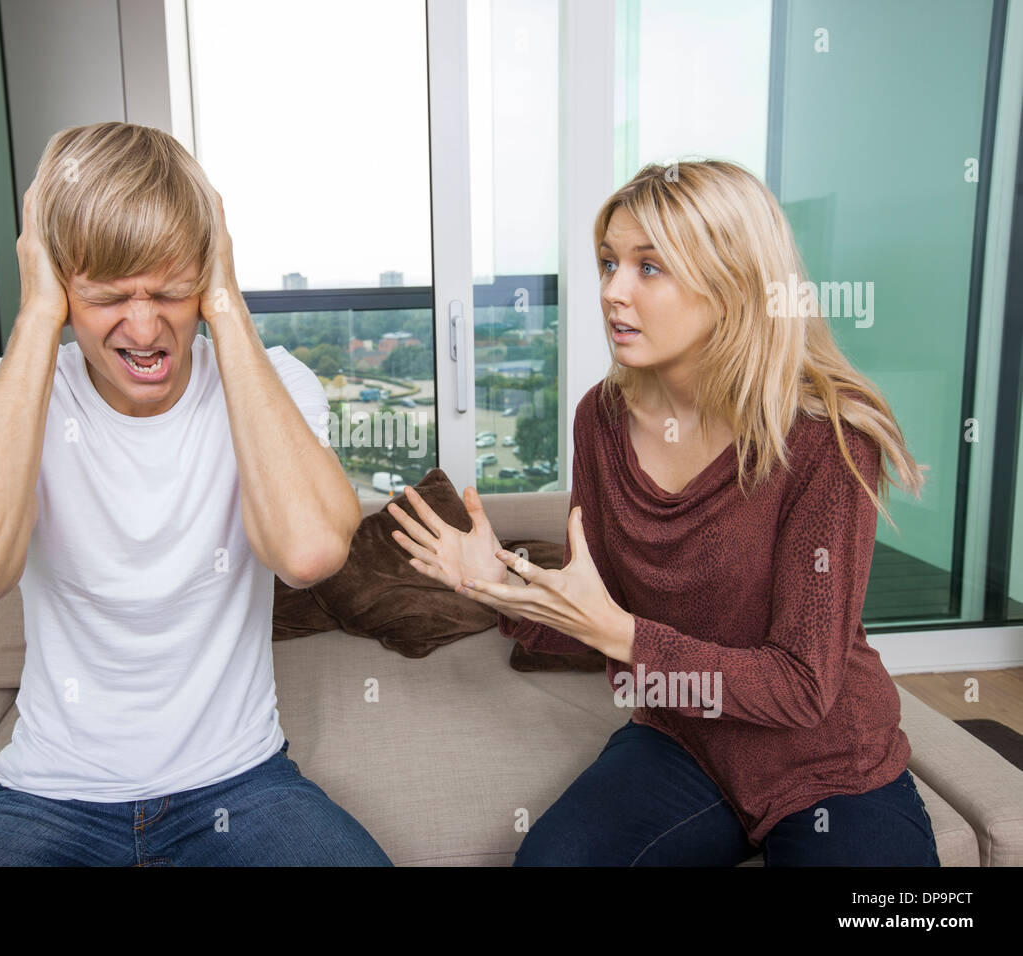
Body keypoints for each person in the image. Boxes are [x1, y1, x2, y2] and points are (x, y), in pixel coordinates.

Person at [388, 159, 939, 867]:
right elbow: (603, 611)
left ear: (734, 283)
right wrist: (501, 581)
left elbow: (803, 688)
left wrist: (625, 636)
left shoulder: (825, 439)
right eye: (609, 262)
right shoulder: (602, 419)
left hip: (825, 763)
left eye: (650, 268)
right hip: (688, 742)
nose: (613, 291)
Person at [0, 121, 391, 867]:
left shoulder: (273, 385)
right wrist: (37, 316)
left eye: (170, 288)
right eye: (105, 296)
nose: (145, 326)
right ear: (60, 284)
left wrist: (224, 301)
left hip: (240, 786)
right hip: (49, 800)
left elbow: (309, 552)